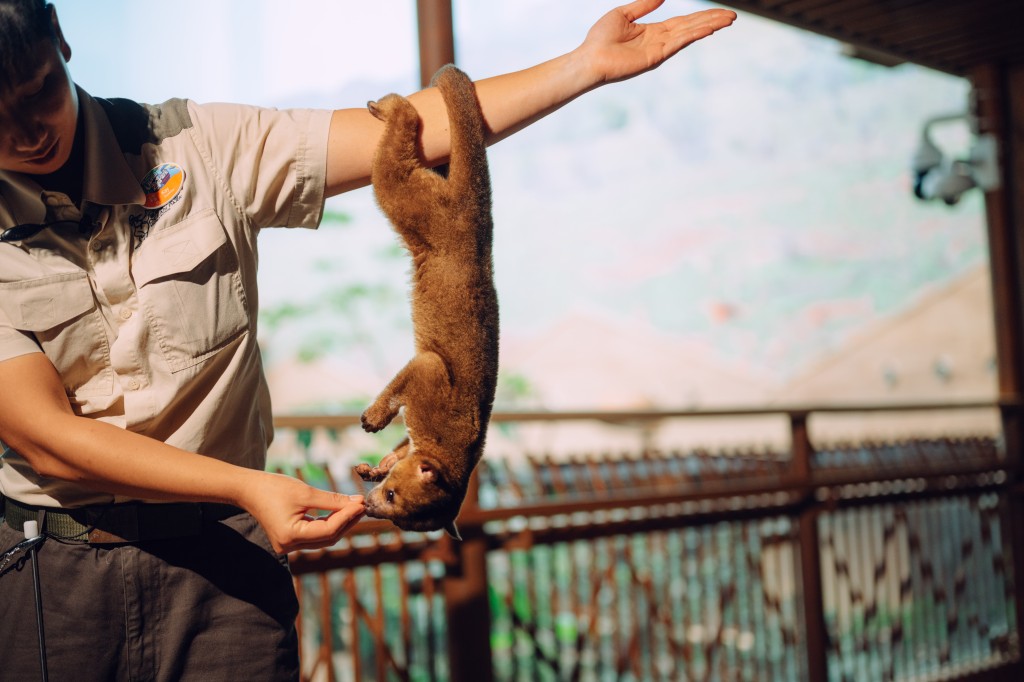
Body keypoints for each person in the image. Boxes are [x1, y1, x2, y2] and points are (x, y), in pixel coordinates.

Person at [0, 0, 736, 679]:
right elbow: (44, 437)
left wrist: (583, 67)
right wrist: (250, 486)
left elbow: (411, 128)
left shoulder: (200, 144)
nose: (26, 131)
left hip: (225, 565)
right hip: (56, 573)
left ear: (63, 41)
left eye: (38, 92)